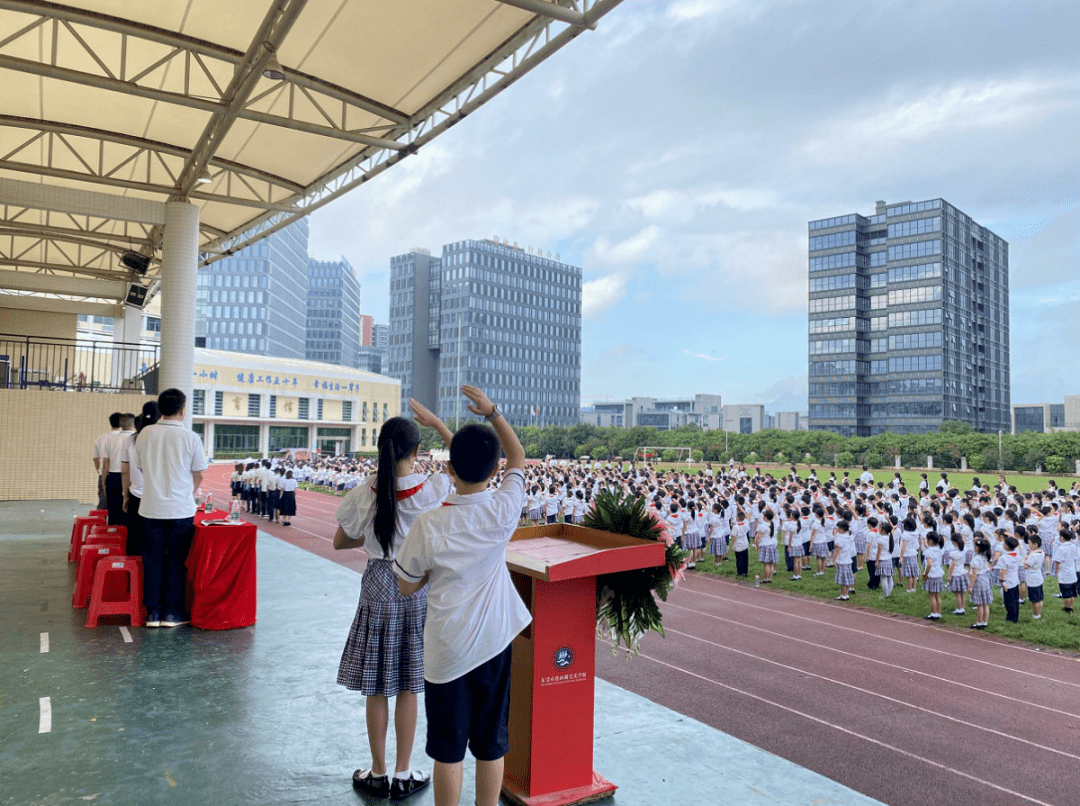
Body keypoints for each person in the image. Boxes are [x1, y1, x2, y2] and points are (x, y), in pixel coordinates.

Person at [394, 386, 530, 806]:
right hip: (493, 643)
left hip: (446, 649)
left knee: (448, 750)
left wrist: (437, 425)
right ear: (494, 472)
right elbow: (518, 459)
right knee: (491, 743)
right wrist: (493, 413)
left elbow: (405, 584)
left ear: (449, 469)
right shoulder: (503, 509)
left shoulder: (428, 525)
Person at [334, 401, 453, 800]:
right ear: (416, 452)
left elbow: (339, 540)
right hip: (415, 586)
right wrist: (437, 423)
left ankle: (378, 772)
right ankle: (404, 772)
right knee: (408, 683)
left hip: (378, 583)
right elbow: (465, 464)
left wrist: (372, 534)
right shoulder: (432, 488)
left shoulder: (363, 492)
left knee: (377, 686)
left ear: (380, 447)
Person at [134, 388, 208, 628]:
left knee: (152, 560)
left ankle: (153, 613)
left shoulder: (145, 434)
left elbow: (142, 469)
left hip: (150, 508)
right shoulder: (191, 437)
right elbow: (199, 474)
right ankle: (172, 614)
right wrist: (189, 492)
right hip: (180, 510)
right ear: (183, 410)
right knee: (177, 561)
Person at [120, 401, 160, 557]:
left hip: (136, 495)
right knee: (154, 541)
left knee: (135, 539)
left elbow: (124, 470)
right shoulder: (163, 436)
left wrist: (125, 495)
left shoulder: (131, 439)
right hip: (158, 497)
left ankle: (133, 577)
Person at [101, 413, 135, 526]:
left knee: (114, 513)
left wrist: (104, 482)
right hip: (131, 478)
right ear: (133, 424)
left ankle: (113, 540)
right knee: (129, 513)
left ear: (120, 424)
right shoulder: (135, 438)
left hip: (113, 478)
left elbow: (106, 463)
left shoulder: (110, 439)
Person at [92, 412, 121, 509]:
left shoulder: (101, 438)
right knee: (120, 506)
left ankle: (102, 523)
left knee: (104, 504)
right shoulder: (126, 438)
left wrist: (100, 471)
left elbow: (96, 458)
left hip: (103, 474)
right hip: (120, 475)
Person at [921, 532, 945, 620]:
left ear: (930, 541)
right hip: (939, 574)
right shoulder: (940, 549)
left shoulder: (929, 552)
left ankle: (933, 613)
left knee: (931, 595)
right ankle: (938, 613)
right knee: (937, 595)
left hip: (932, 575)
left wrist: (925, 574)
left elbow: (929, 564)